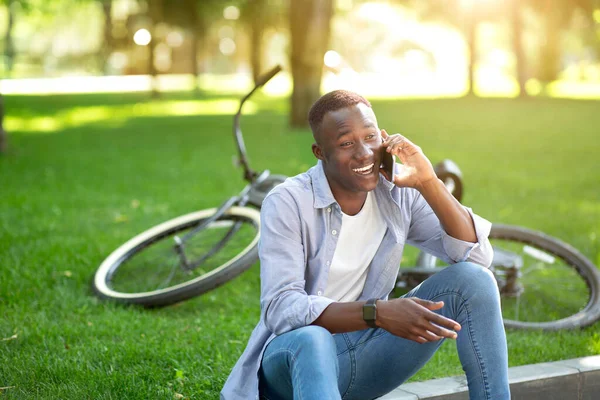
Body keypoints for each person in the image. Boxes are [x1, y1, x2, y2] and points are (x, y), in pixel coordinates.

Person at [221, 90, 510, 400]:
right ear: (320, 152)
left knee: (474, 280)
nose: (364, 153)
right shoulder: (288, 201)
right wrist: (378, 313)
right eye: (346, 143)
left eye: (371, 137)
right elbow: (282, 308)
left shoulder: (396, 191)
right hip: (291, 369)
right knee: (313, 339)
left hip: (362, 355)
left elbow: (477, 256)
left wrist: (428, 181)